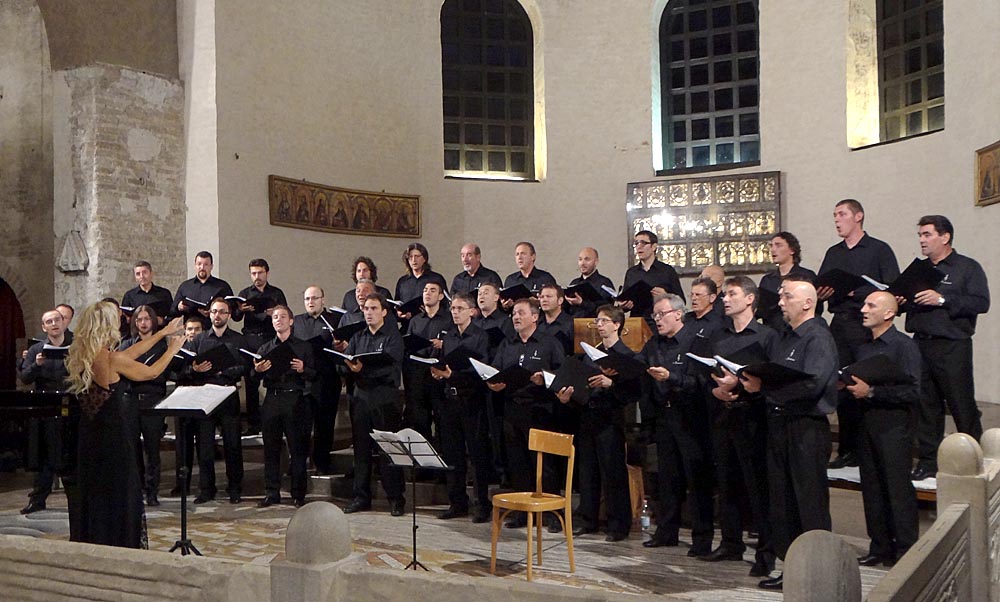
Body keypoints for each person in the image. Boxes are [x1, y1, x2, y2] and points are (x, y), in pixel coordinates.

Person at [734, 278, 838, 591]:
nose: (780, 302)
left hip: (806, 428)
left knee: (808, 503)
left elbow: (812, 384)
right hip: (780, 425)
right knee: (783, 502)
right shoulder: (787, 337)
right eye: (781, 297)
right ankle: (792, 569)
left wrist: (765, 387)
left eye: (787, 297)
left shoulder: (818, 337)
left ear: (808, 303)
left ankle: (819, 574)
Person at [66, 302, 184, 548]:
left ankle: (96, 538)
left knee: (97, 490)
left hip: (90, 436)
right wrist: (172, 349)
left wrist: (162, 333)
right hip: (113, 436)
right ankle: (119, 541)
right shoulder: (112, 359)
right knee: (120, 490)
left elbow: (129, 354)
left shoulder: (83, 354)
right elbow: (151, 373)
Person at [905, 215, 991, 481]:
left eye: (927, 234)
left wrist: (942, 299)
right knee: (926, 407)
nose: (922, 240)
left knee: (961, 404)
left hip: (952, 346)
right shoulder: (919, 269)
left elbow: (981, 302)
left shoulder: (967, 267)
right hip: (921, 343)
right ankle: (929, 461)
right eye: (920, 235)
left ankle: (974, 460)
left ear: (945, 237)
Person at [704, 277, 778, 577]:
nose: (725, 299)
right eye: (724, 295)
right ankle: (730, 543)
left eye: (732, 294)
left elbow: (772, 380)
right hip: (724, 416)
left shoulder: (766, 336)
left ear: (750, 299)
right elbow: (707, 376)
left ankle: (766, 553)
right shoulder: (719, 337)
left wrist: (743, 386)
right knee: (726, 484)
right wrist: (716, 391)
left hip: (754, 419)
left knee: (758, 488)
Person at [817, 200, 899, 469]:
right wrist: (823, 293)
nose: (836, 219)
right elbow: (822, 286)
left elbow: (891, 289)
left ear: (858, 216)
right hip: (840, 324)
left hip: (867, 328)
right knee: (842, 386)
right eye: (834, 215)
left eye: (842, 214)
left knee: (866, 383)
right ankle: (847, 449)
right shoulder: (833, 253)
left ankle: (871, 448)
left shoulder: (879, 250)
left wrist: (856, 292)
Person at [639, 294, 714, 557]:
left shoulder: (696, 342)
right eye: (655, 315)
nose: (657, 320)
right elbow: (639, 367)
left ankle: (702, 538)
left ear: (678, 314)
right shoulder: (653, 344)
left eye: (662, 314)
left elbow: (700, 383)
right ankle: (666, 532)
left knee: (696, 479)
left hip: (691, 418)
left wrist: (672, 377)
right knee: (667, 478)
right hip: (664, 417)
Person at [851, 291, 921, 566]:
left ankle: (906, 550)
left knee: (897, 488)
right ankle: (879, 546)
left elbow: (913, 391)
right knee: (872, 487)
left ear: (889, 313)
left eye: (871, 305)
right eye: (864, 304)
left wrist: (872, 392)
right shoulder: (864, 347)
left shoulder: (904, 346)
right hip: (867, 422)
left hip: (895, 426)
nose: (863, 309)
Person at [557, 304, 635, 542]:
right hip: (587, 416)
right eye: (597, 321)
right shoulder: (591, 354)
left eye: (604, 321)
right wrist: (568, 397)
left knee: (613, 472)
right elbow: (582, 385)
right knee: (587, 471)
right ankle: (588, 520)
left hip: (610, 420)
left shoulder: (626, 355)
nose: (599, 325)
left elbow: (632, 394)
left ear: (617, 324)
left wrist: (612, 384)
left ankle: (618, 525)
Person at [487, 297, 564, 530]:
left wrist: (545, 379)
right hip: (512, 409)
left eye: (521, 313)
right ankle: (522, 512)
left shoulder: (549, 343)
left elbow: (561, 373)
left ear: (535, 317)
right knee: (517, 462)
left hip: (540, 409)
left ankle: (552, 513)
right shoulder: (507, 344)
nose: (516, 317)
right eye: (513, 314)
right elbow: (496, 370)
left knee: (544, 463)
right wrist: (494, 383)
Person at [341, 293, 406, 516]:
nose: (369, 313)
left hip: (385, 398)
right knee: (361, 449)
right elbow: (345, 363)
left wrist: (363, 369)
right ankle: (361, 497)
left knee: (388, 449)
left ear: (384, 312)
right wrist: (349, 367)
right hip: (361, 398)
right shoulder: (358, 337)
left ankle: (395, 498)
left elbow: (391, 368)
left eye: (374, 308)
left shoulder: (393, 337)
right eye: (366, 309)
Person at [429, 293, 492, 522]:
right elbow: (445, 365)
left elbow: (481, 370)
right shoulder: (449, 336)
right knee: (452, 454)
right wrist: (439, 373)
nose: (455, 312)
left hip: (472, 400)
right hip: (450, 400)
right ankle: (457, 502)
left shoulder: (480, 336)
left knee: (477, 454)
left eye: (460, 308)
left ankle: (482, 504)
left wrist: (452, 375)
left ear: (471, 312)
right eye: (453, 308)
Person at [182, 297, 247, 504]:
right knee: (205, 446)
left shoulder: (237, 339)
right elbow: (185, 367)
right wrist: (195, 369)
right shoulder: (199, 340)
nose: (217, 315)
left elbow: (245, 367)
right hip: (205, 394)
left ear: (229, 315)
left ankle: (235, 488)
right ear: (209, 315)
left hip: (228, 392)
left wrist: (224, 371)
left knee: (232, 444)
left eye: (221, 312)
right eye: (214, 312)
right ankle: (207, 489)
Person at [254, 305, 316, 507]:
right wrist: (258, 370)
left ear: (291, 321)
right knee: (271, 448)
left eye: (282, 317)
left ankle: (298, 493)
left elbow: (314, 375)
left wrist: (303, 369)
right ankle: (272, 492)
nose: (278, 320)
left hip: (294, 399)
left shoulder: (303, 347)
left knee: (297, 448)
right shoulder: (265, 348)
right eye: (275, 317)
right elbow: (254, 376)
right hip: (272, 399)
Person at [18, 309, 73, 515]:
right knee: (44, 455)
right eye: (49, 322)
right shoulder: (36, 349)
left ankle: (75, 501)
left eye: (57, 320)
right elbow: (25, 377)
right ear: (44, 327)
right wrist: (37, 365)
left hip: (69, 405)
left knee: (69, 454)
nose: (54, 324)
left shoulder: (75, 347)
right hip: (45, 407)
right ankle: (38, 499)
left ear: (63, 323)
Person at [118, 305, 171, 507]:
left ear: (153, 321)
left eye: (147, 319)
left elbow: (162, 372)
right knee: (132, 448)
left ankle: (152, 491)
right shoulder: (127, 345)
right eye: (139, 319)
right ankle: (136, 489)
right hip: (130, 400)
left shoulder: (162, 346)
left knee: (152, 448)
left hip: (152, 400)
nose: (143, 323)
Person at [233, 258, 288, 435]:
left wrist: (274, 314)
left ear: (267, 273)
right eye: (253, 273)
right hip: (250, 339)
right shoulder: (245, 293)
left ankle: (277, 422)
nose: (257, 277)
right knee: (251, 382)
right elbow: (235, 317)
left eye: (260, 273)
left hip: (270, 339)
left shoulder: (276, 293)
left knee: (276, 378)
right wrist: (241, 310)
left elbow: (285, 314)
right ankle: (253, 424)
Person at [293, 285, 343, 475]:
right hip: (303, 379)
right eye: (307, 299)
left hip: (327, 380)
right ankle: (299, 464)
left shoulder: (334, 320)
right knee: (301, 426)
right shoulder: (297, 321)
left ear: (323, 300)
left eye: (314, 298)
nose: (310, 302)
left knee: (325, 425)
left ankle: (322, 463)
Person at [402, 281, 451, 441]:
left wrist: (443, 343)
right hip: (418, 372)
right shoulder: (415, 320)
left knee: (441, 415)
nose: (427, 293)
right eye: (425, 290)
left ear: (441, 296)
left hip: (438, 373)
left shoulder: (448, 319)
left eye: (432, 290)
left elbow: (455, 342)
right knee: (420, 416)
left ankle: (442, 451)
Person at [168, 315, 204, 496]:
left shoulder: (205, 347)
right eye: (189, 329)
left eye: (197, 329)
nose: (192, 333)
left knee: (204, 446)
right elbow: (170, 373)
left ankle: (205, 486)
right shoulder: (177, 349)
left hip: (202, 399)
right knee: (182, 445)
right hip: (182, 399)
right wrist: (191, 370)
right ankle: (182, 484)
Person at [621, 230, 685, 328]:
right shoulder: (631, 273)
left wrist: (665, 296)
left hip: (661, 322)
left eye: (643, 243)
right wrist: (624, 306)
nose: (639, 246)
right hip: (638, 321)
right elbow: (625, 301)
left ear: (654, 247)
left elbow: (681, 301)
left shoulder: (667, 271)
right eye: (636, 243)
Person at [757, 232, 818, 331]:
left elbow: (815, 308)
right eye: (771, 246)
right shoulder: (767, 280)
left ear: (792, 250)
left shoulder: (806, 276)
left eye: (778, 245)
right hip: (773, 329)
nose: (773, 250)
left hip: (799, 329)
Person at [171, 251, 234, 328]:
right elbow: (172, 312)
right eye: (199, 264)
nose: (202, 267)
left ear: (211, 266)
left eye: (206, 264)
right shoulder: (185, 286)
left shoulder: (222, 286)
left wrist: (213, 311)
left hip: (214, 331)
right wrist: (179, 307)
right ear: (195, 266)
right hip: (192, 331)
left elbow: (233, 312)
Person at [394, 243, 447, 321]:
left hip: (431, 322)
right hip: (407, 324)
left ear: (424, 258)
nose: (414, 260)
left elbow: (445, 304)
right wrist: (399, 314)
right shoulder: (402, 281)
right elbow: (397, 305)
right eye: (410, 257)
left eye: (417, 256)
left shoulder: (436, 279)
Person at [501, 242, 556, 310]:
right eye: (517, 254)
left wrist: (539, 303)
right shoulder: (510, 280)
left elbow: (554, 303)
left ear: (533, 257)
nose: (519, 257)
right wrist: (505, 306)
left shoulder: (545, 278)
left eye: (523, 253)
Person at [564, 247, 615, 319]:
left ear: (596, 262)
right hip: (574, 323)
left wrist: (582, 303)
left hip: (596, 323)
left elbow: (607, 310)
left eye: (587, 259)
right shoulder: (574, 283)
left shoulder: (604, 283)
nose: (582, 263)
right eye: (580, 259)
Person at [121, 261, 172, 325]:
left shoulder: (164, 294)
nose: (141, 276)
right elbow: (124, 318)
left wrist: (162, 321)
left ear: (151, 274)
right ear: (135, 277)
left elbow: (172, 316)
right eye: (138, 274)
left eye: (144, 272)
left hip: (160, 329)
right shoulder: (129, 296)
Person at [684, 277, 724, 347]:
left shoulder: (718, 323)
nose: (693, 298)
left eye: (698, 295)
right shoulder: (685, 318)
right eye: (692, 295)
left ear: (712, 298)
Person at [536, 283, 574, 355]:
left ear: (560, 300)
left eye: (548, 296)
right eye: (542, 297)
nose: (544, 300)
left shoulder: (571, 324)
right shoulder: (536, 324)